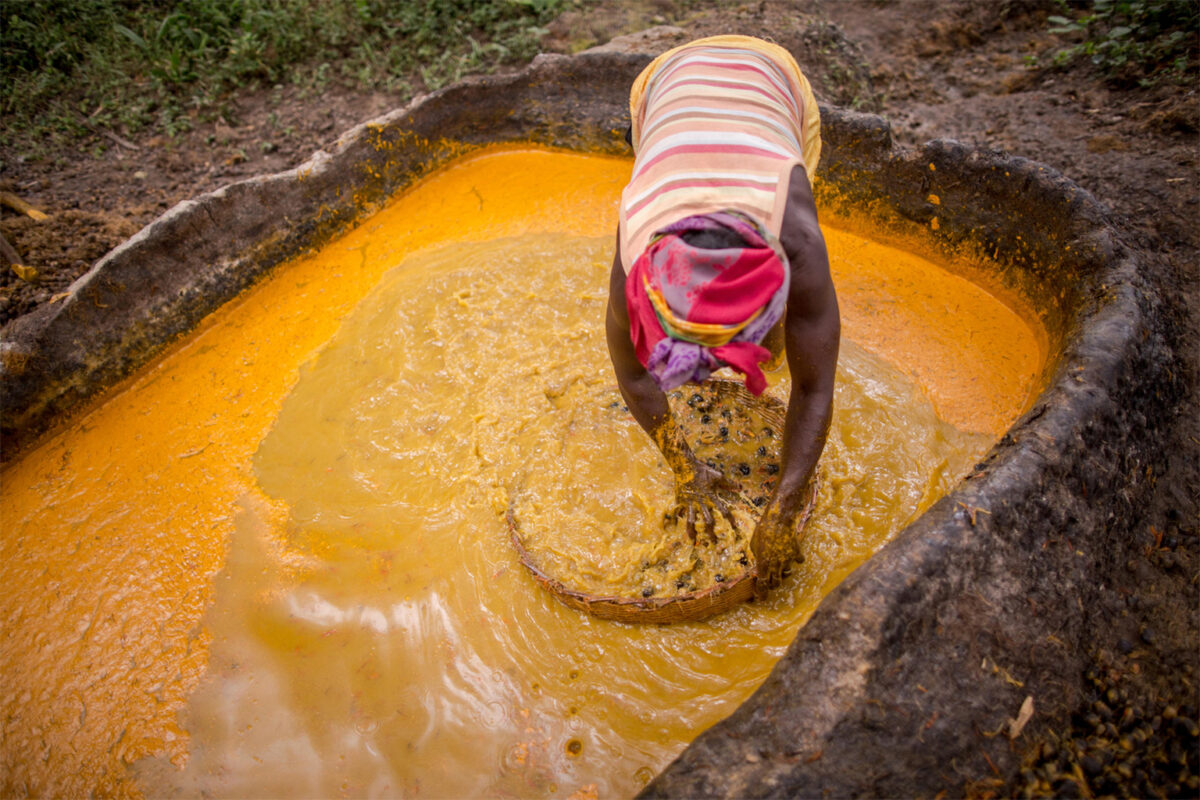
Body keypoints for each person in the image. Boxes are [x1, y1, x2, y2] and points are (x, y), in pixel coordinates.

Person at [605, 35, 840, 595]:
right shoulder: (636, 254)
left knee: (799, 344)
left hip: (774, 78)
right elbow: (632, 371)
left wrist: (785, 505)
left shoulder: (798, 242)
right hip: (662, 87)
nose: (713, 376)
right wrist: (688, 474)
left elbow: (814, 386)